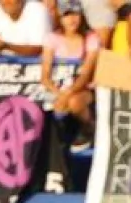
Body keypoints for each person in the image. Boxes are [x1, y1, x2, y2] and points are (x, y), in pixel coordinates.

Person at [40, 0, 99, 151]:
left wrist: (68, 93)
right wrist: (58, 93)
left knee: (74, 102)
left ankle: (90, 128)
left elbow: (86, 74)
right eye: (66, 15)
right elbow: (45, 76)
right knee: (55, 106)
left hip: (82, 89)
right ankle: (60, 143)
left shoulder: (90, 38)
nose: (72, 19)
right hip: (57, 89)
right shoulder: (52, 38)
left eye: (75, 14)